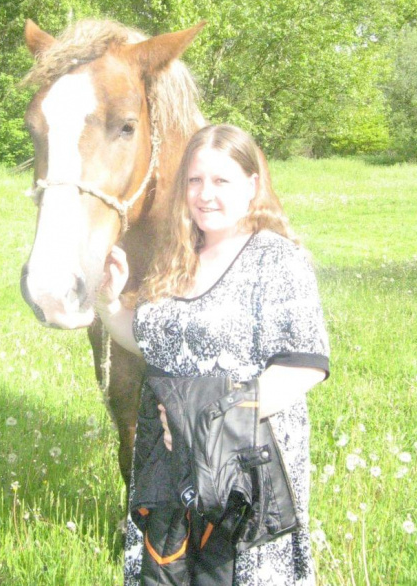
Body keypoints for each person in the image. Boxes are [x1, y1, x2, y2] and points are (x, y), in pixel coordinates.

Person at [97, 124, 330, 586]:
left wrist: (202, 419)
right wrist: (108, 302)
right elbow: (151, 344)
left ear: (252, 185)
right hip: (166, 466)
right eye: (195, 181)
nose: (205, 194)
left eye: (221, 181)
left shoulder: (277, 260)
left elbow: (303, 365)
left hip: (242, 466)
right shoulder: (177, 257)